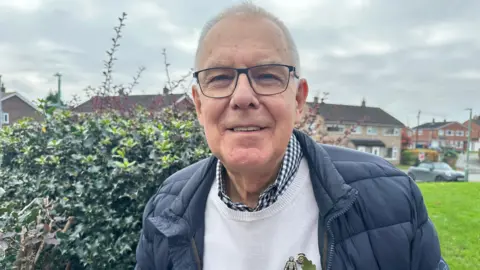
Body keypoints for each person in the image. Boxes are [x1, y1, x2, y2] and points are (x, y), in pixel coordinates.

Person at [135, 3, 448, 270]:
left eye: (268, 75)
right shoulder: (164, 210)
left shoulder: (393, 201)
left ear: (299, 100)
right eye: (219, 78)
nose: (242, 97)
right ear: (199, 105)